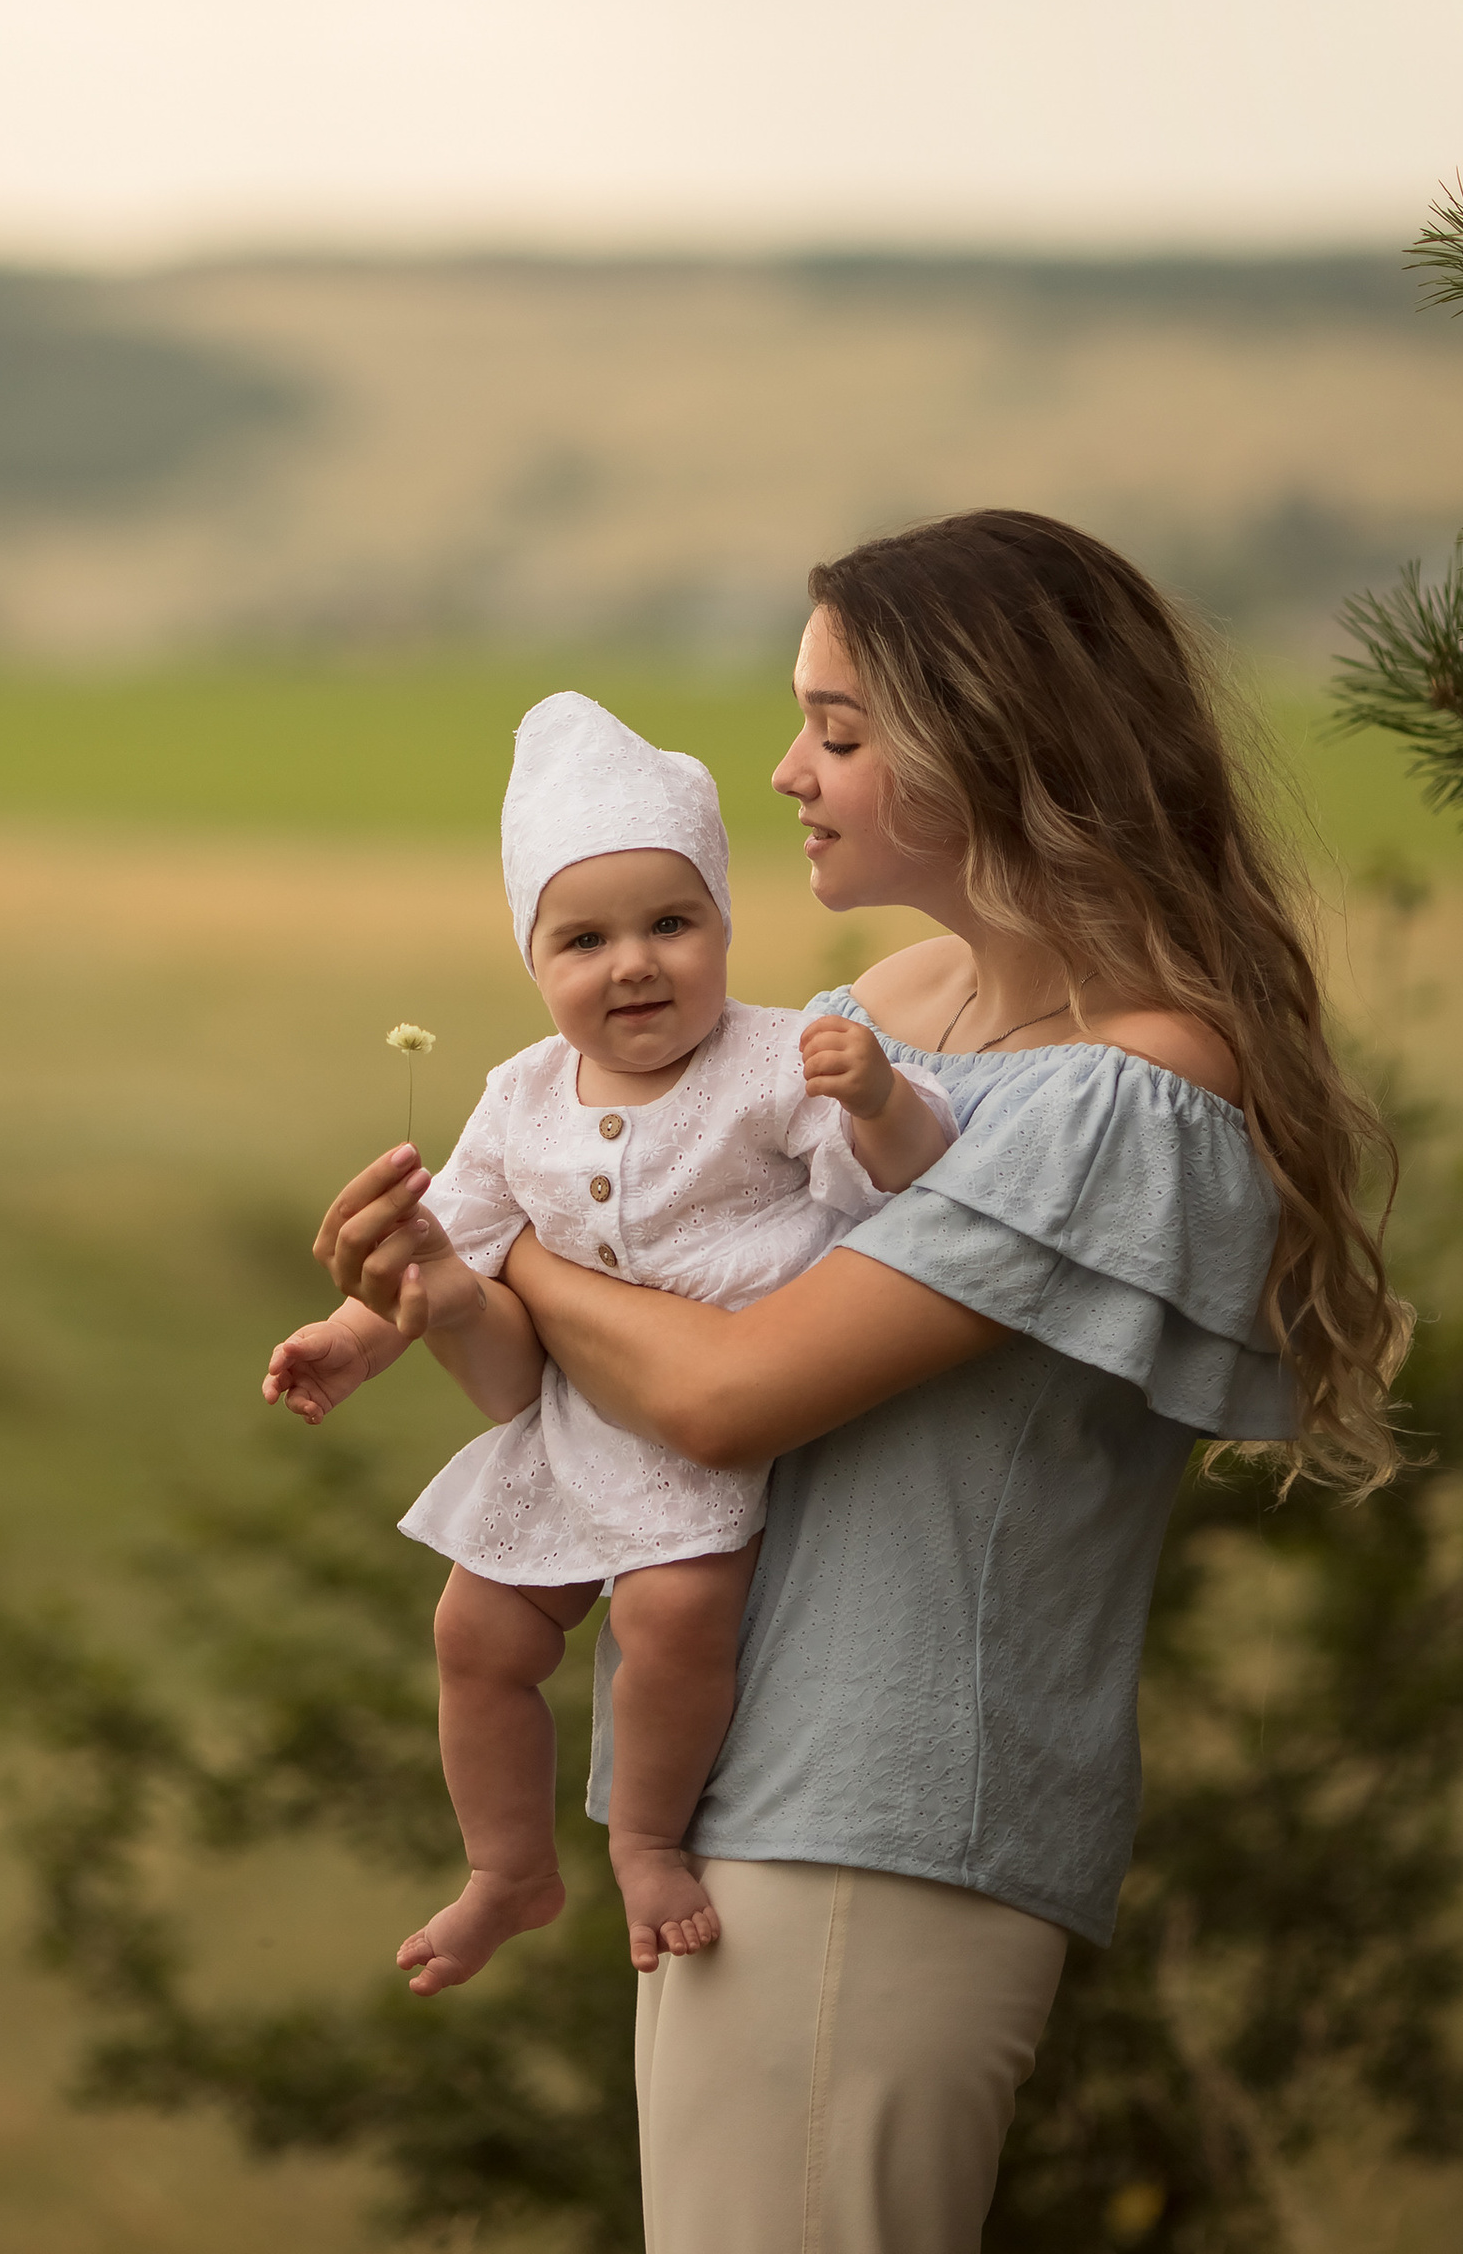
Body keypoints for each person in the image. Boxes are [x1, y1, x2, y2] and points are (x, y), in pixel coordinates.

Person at [307, 513, 1409, 2254]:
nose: (787, 772)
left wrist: (499, 1252)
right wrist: (448, 1285)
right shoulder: (891, 1004)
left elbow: (722, 1393)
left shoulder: (1132, 1087)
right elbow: (664, 1279)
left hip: (887, 1817)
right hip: (748, 1797)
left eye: (838, 728)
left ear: (996, 742)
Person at [264, 691, 955, 1988]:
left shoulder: (774, 1062)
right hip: (575, 1426)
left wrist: (880, 1103)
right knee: (476, 1637)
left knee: (675, 1619)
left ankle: (644, 1838)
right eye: (584, 940)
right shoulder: (520, 1093)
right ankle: (507, 1868)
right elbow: (456, 1237)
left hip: (715, 1415)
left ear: (724, 925)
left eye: (671, 924)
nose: (634, 963)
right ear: (534, 963)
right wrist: (353, 1339)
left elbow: (901, 1185)